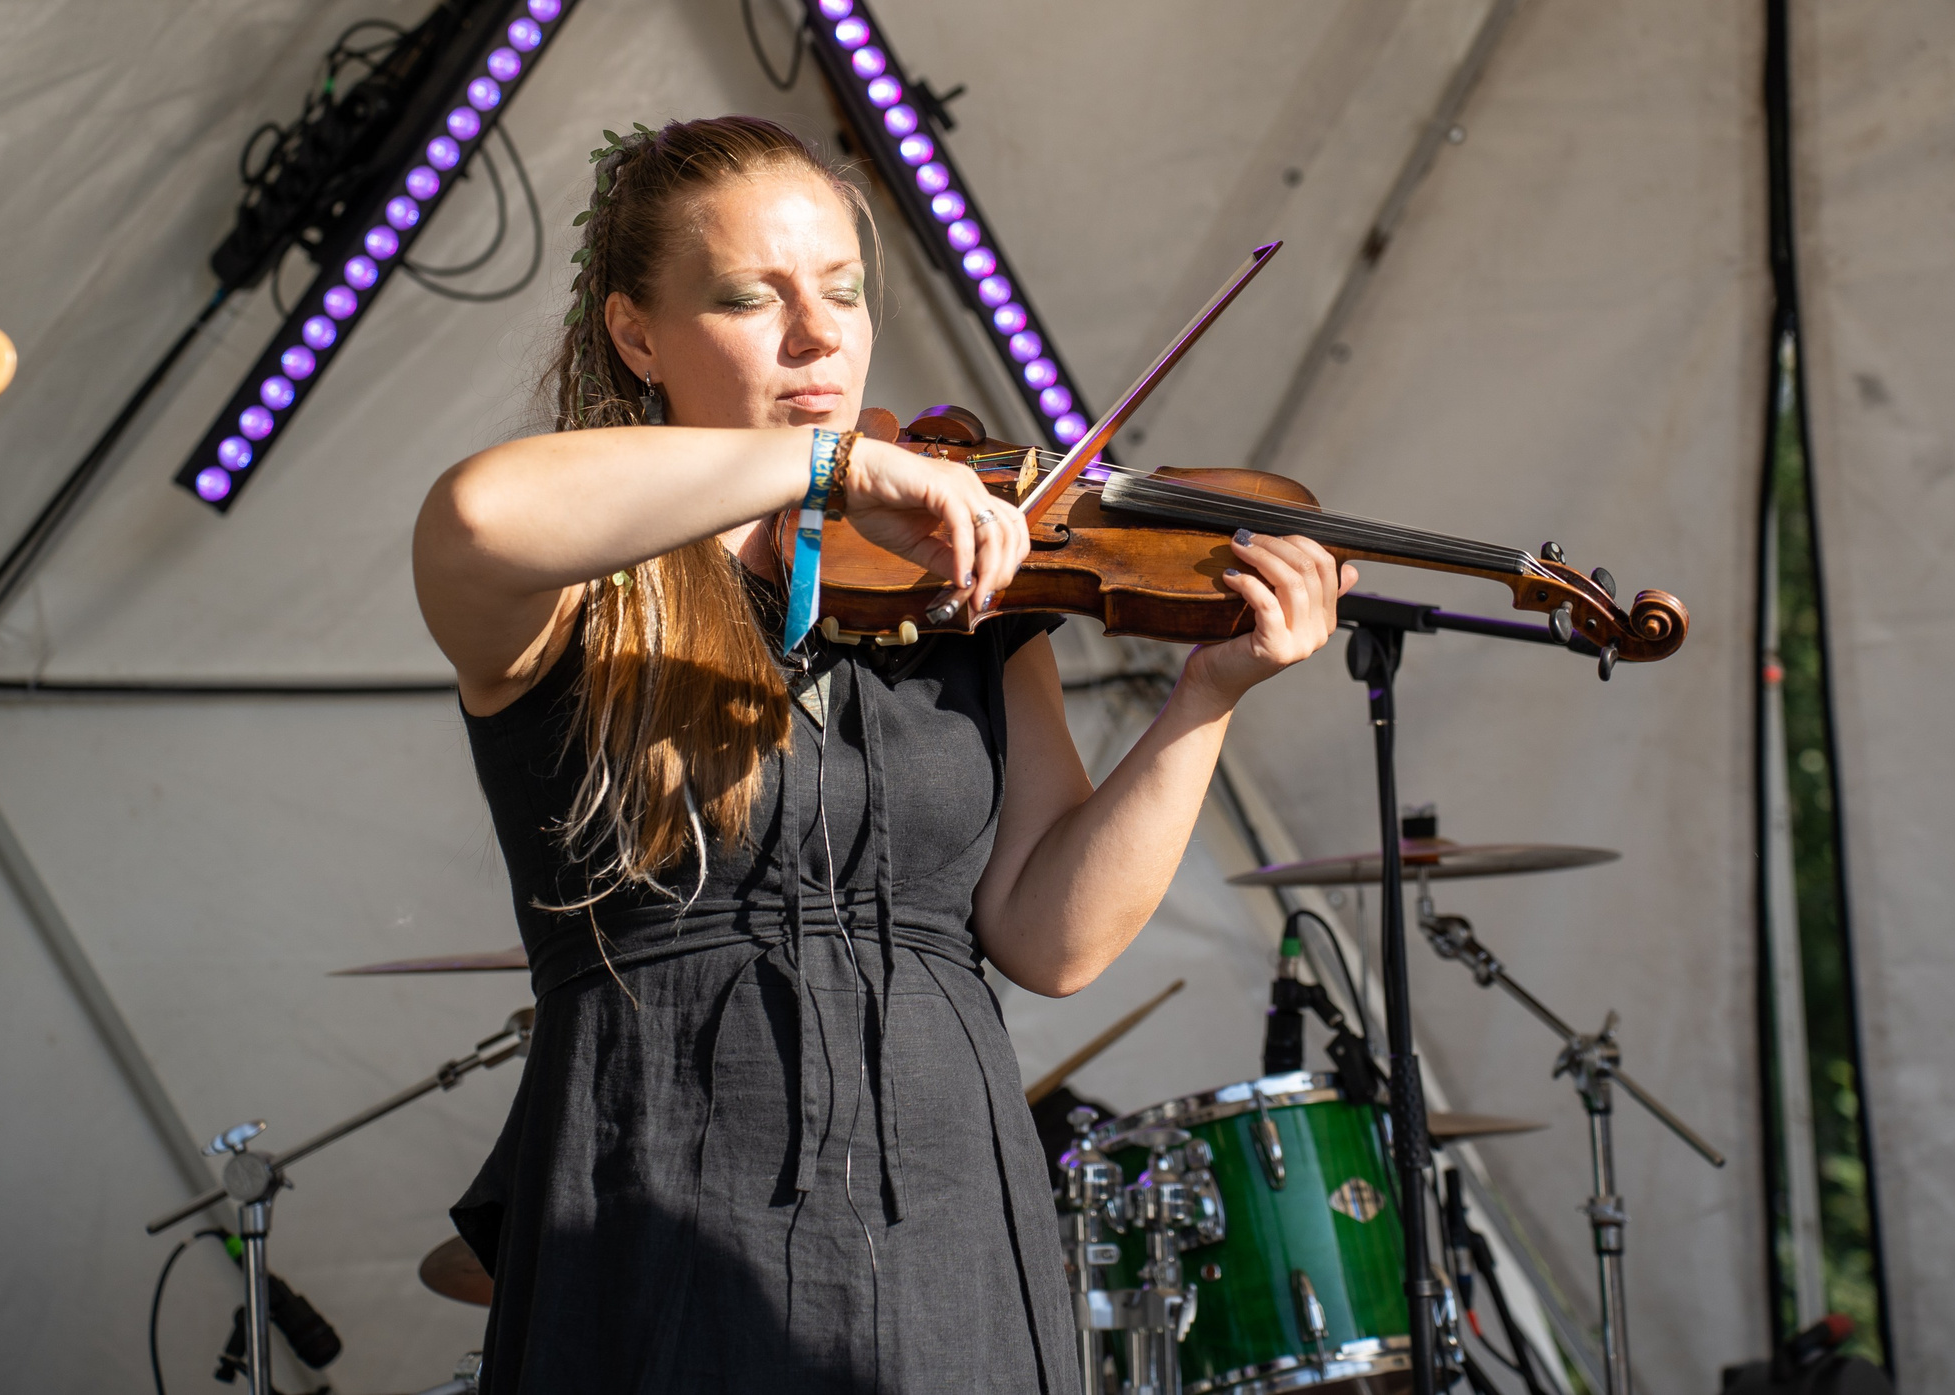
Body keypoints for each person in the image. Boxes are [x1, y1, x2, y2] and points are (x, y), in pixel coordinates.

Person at [412, 115, 1353, 1393]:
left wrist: (1209, 700)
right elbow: (476, 515)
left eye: (843, 292)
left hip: (948, 1198)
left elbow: (1051, 939)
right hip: (664, 1185)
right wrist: (829, 463)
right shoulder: (584, 588)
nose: (818, 337)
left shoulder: (962, 586)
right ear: (637, 335)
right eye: (752, 298)